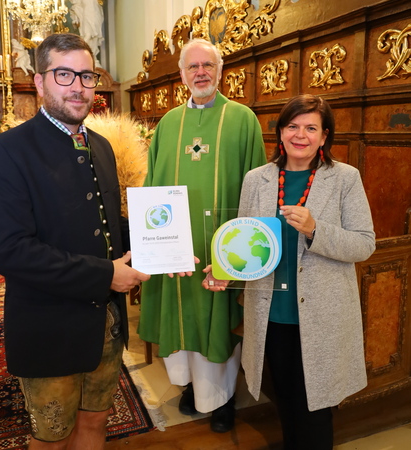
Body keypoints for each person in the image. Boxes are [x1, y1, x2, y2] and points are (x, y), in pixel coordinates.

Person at [0, 33, 150, 450]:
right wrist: (106, 275)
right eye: (63, 74)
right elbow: (10, 251)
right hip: (49, 327)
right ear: (39, 82)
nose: (78, 85)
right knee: (52, 439)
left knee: (95, 426)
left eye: (86, 75)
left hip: (105, 325)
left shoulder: (104, 148)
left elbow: (110, 226)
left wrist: (162, 248)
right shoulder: (6, 151)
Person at [208, 94, 375, 448]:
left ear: (325, 136)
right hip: (272, 315)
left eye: (311, 128)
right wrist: (225, 268)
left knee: (316, 411)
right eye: (293, 126)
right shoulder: (257, 180)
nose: (301, 135)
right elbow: (246, 243)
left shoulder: (345, 178)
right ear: (281, 133)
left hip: (322, 317)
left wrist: (316, 229)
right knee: (286, 402)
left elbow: (364, 244)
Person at [138, 38, 266, 433]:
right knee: (183, 316)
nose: (201, 73)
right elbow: (152, 186)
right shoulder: (169, 125)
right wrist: (150, 242)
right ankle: (194, 388)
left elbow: (259, 186)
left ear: (220, 70)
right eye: (192, 67)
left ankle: (223, 399)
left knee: (218, 317)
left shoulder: (243, 119)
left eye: (207, 65)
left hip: (220, 243)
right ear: (181, 75)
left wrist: (244, 247)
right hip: (178, 245)